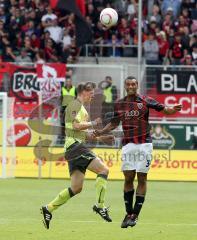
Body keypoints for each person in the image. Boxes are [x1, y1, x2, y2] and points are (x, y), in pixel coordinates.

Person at [94, 76, 182, 228]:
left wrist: (172, 109)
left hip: (144, 144)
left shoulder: (145, 100)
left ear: (137, 85)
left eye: (134, 84)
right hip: (128, 144)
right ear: (125, 86)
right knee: (128, 178)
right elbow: (115, 122)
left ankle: (135, 215)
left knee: (142, 178)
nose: (131, 86)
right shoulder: (119, 104)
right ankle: (128, 213)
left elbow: (164, 109)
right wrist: (101, 131)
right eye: (129, 84)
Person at [41, 82, 113, 229]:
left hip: (75, 147)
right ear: (83, 92)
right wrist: (93, 122)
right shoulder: (74, 105)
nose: (93, 96)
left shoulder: (83, 110)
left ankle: (48, 208)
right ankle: (100, 206)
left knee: (76, 188)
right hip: (75, 147)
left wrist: (101, 137)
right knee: (104, 170)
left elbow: (83, 134)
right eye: (91, 93)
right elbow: (75, 126)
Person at [60, 76, 77, 142]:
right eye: (67, 81)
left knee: (72, 123)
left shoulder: (74, 89)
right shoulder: (63, 89)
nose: (68, 83)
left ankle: (73, 137)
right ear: (65, 82)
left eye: (69, 81)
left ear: (71, 82)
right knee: (63, 123)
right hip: (64, 107)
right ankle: (63, 138)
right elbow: (61, 98)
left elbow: (77, 98)